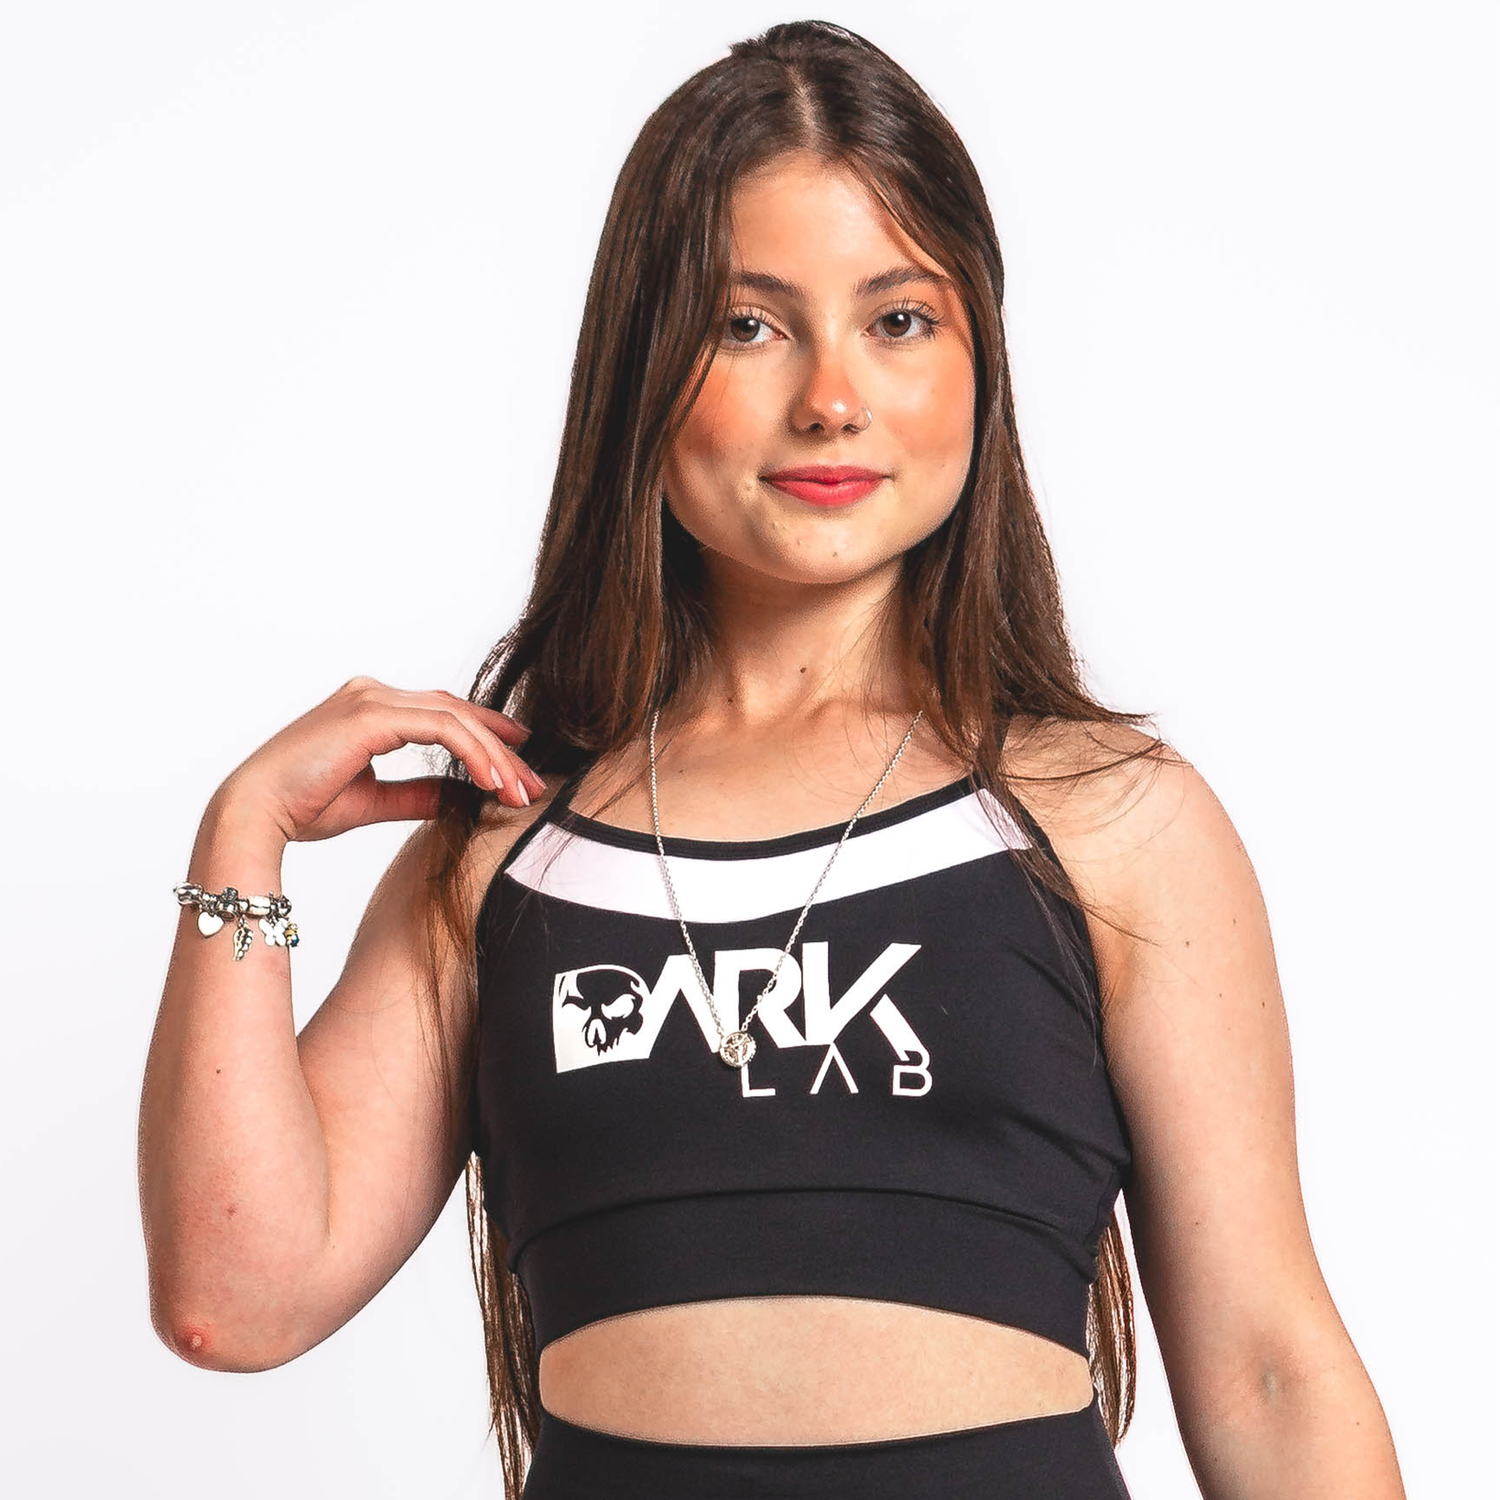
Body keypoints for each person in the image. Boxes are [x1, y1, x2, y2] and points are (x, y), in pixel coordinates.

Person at [138, 20, 1406, 1500]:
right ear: (642, 367)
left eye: (899, 319)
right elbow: (236, 1298)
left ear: (982, 361)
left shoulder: (1108, 822)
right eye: (749, 326)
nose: (831, 399)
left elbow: (1269, 1370)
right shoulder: (505, 851)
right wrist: (242, 837)